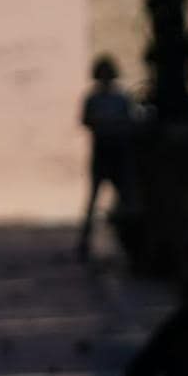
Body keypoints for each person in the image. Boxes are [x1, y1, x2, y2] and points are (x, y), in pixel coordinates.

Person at [76, 54, 137, 261]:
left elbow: (129, 121)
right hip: (102, 151)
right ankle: (84, 242)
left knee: (126, 199)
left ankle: (130, 241)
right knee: (93, 199)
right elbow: (85, 120)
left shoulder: (121, 98)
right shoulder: (93, 98)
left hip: (118, 153)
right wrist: (104, 123)